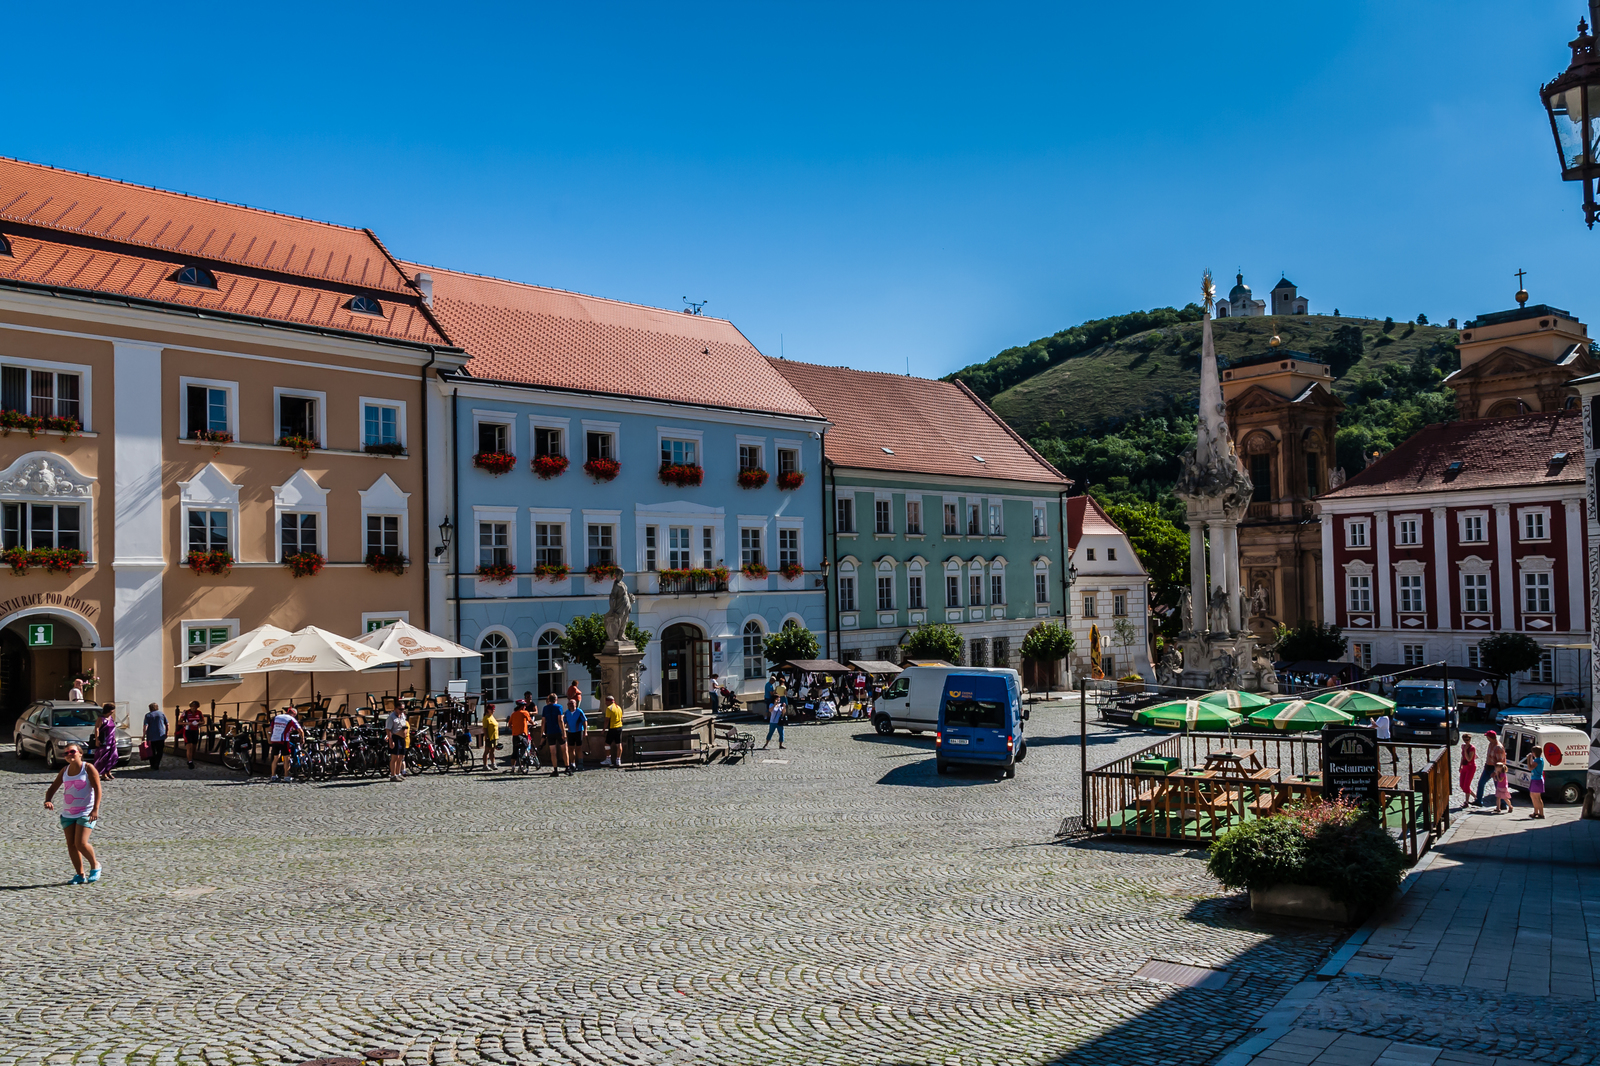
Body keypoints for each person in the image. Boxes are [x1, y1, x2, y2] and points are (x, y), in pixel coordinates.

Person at [43, 743, 102, 883]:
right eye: (66, 754)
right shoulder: (65, 770)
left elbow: (98, 789)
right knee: (71, 845)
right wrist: (48, 800)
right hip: (68, 813)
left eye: (72, 752)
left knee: (81, 843)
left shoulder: (88, 768)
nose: (69, 755)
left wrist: (95, 809)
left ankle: (95, 865)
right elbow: (53, 787)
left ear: (80, 753)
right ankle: (80, 875)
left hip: (86, 812)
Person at [268, 704, 302, 782]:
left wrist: (269, 738)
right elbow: (300, 730)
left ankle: (273, 775)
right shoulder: (291, 719)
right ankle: (286, 776)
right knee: (286, 758)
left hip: (274, 739)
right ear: (293, 714)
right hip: (283, 740)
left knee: (275, 758)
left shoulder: (276, 717)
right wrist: (302, 738)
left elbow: (269, 729)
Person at [1475, 730, 1505, 806]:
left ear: (1490, 737)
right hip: (1488, 767)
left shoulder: (1499, 747)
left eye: (1487, 736)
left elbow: (1500, 761)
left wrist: (1495, 771)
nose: (1487, 738)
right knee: (1481, 783)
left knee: (1498, 787)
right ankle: (1478, 800)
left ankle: (1503, 803)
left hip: (1495, 769)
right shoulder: (1491, 744)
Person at [541, 693, 568, 777]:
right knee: (564, 750)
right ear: (556, 699)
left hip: (550, 731)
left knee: (553, 752)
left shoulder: (545, 708)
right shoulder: (559, 707)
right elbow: (560, 720)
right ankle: (567, 768)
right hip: (558, 731)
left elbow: (543, 721)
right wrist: (564, 732)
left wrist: (542, 732)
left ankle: (555, 769)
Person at [91, 704, 119, 781]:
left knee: (113, 756)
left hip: (111, 740)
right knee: (104, 757)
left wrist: (114, 738)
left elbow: (113, 728)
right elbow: (97, 728)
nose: (113, 711)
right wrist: (97, 739)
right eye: (112, 709)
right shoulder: (101, 718)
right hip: (104, 740)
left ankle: (108, 771)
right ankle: (103, 774)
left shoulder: (111, 718)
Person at [179, 701, 206, 770]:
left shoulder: (199, 713)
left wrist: (199, 723)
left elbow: (203, 721)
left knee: (194, 747)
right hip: (187, 731)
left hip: (195, 730)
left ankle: (192, 758)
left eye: (196, 708)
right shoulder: (186, 712)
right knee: (189, 746)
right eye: (193, 707)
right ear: (190, 707)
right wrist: (188, 723)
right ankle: (190, 761)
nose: (194, 709)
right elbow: (179, 722)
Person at [142, 703, 168, 773]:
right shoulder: (161, 714)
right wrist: (167, 732)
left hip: (151, 736)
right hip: (160, 735)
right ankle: (157, 763)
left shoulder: (148, 715)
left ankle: (152, 764)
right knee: (160, 751)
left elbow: (145, 726)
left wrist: (144, 735)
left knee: (151, 751)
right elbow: (167, 724)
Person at [386, 704, 408, 782]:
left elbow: (404, 725)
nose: (402, 711)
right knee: (394, 757)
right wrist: (390, 741)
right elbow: (388, 729)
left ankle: (398, 773)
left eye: (403, 709)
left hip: (402, 738)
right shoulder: (391, 717)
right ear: (395, 708)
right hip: (395, 738)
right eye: (400, 709)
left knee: (401, 757)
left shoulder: (402, 715)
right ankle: (393, 775)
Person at [507, 700, 531, 771]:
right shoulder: (525, 713)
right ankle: (521, 766)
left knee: (515, 751)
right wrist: (534, 723)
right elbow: (530, 721)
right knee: (523, 750)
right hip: (523, 734)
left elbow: (509, 725)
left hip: (515, 735)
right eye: (525, 706)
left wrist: (514, 728)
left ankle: (513, 767)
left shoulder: (513, 714)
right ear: (522, 706)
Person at [601, 695, 624, 768]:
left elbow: (607, 720)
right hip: (619, 727)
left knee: (607, 744)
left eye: (606, 701)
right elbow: (621, 718)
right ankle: (618, 759)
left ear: (609, 701)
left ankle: (608, 759)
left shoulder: (609, 708)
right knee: (619, 744)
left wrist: (604, 729)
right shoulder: (618, 707)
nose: (605, 703)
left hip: (612, 728)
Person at [565, 697, 587, 771]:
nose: (570, 705)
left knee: (579, 748)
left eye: (572, 703)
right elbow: (564, 722)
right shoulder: (567, 712)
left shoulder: (579, 711)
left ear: (575, 704)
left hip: (578, 731)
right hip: (570, 732)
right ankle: (572, 763)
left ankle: (580, 764)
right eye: (569, 704)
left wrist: (585, 731)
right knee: (571, 748)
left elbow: (585, 721)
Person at [1525, 746, 1547, 819]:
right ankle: (1536, 812)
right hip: (1535, 779)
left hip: (1537, 780)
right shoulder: (1539, 759)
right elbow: (1533, 765)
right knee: (1532, 795)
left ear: (1534, 753)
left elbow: (1530, 768)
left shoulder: (1538, 761)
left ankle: (1541, 814)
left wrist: (1528, 759)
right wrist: (1531, 758)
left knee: (1537, 797)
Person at [1458, 736, 1478, 807]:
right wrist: (1460, 766)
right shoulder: (1463, 746)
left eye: (1467, 739)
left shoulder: (1472, 748)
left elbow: (1469, 759)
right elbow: (1463, 757)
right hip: (1465, 767)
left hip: (1471, 767)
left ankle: (1466, 802)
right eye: (1464, 739)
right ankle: (1475, 796)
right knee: (1462, 785)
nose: (1466, 741)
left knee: (1466, 785)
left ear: (1470, 739)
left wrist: (1466, 750)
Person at [481, 703, 500, 771]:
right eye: (491, 709)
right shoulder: (486, 718)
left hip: (494, 737)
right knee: (487, 751)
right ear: (488, 710)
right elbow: (485, 728)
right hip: (489, 737)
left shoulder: (492, 716)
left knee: (492, 751)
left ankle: (493, 763)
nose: (493, 711)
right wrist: (487, 737)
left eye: (494, 709)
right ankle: (485, 765)